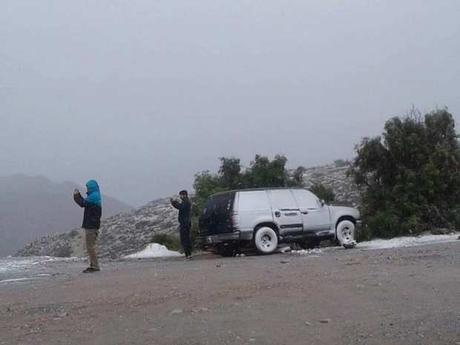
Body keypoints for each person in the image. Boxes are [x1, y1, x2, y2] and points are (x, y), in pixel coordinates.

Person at [73, 180, 102, 273]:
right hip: (93, 225)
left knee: (90, 247)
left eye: (88, 187)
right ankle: (93, 265)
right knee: (91, 246)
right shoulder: (95, 195)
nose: (87, 189)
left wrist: (76, 195)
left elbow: (82, 203)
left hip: (91, 226)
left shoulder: (93, 197)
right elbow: (85, 202)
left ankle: (95, 266)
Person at [170, 190, 192, 259]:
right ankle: (188, 254)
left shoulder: (186, 202)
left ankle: (188, 254)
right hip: (185, 222)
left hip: (185, 223)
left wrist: (174, 203)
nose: (180, 197)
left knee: (184, 239)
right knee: (186, 239)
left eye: (181, 195)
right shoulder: (186, 201)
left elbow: (180, 207)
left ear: (184, 195)